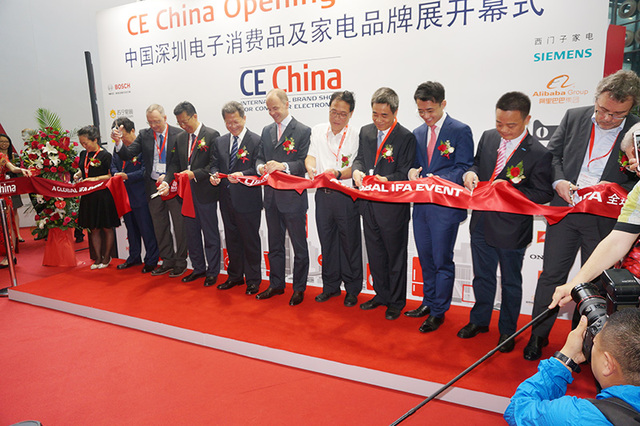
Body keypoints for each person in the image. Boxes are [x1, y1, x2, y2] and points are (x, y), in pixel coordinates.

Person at [524, 69, 640, 362]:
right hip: (567, 209)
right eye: (602, 110)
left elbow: (634, 182)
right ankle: (537, 335)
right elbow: (553, 155)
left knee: (593, 285)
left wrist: (612, 189)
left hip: (606, 220)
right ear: (596, 99)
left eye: (617, 114)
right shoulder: (574, 116)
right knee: (552, 276)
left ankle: (581, 346)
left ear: (630, 109)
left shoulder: (636, 132)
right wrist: (558, 181)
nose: (607, 118)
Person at [459, 92, 553, 352]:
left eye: (511, 125)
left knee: (510, 282)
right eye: (499, 123)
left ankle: (508, 331)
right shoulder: (489, 137)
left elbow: (543, 193)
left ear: (527, 120)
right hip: (481, 221)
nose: (504, 130)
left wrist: (511, 190)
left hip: (512, 229)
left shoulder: (539, 153)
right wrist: (470, 173)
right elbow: (477, 164)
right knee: (482, 276)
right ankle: (479, 321)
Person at [404, 82, 474, 332]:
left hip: (445, 207)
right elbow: (414, 165)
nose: (426, 116)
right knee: (425, 258)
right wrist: (412, 172)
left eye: (430, 110)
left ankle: (438, 311)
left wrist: (438, 180)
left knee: (442, 260)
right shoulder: (417, 132)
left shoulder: (460, 130)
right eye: (421, 111)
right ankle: (428, 301)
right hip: (422, 206)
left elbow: (464, 166)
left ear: (443, 104)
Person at [504, 309, 640, 425]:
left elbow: (517, 410)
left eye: (595, 342)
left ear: (607, 364)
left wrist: (563, 359)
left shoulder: (576, 416)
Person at [352, 87, 416, 320]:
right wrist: (357, 171)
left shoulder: (405, 137)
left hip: (392, 208)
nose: (378, 120)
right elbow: (360, 159)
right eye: (374, 114)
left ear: (395, 112)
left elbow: (405, 172)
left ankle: (396, 302)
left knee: (394, 256)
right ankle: (381, 294)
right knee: (376, 253)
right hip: (368, 204)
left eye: (384, 115)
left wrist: (386, 180)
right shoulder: (366, 131)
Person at [112, 104, 188, 278]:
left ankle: (181, 262)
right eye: (150, 122)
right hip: (153, 186)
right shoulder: (145, 135)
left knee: (179, 226)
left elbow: (178, 162)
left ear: (165, 118)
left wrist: (168, 179)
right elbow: (128, 154)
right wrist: (118, 142)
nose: (154, 125)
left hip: (173, 185)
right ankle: (167, 260)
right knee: (159, 226)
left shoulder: (178, 134)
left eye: (157, 121)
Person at [305, 90, 363, 307]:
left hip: (346, 196)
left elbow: (355, 166)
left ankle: (352, 289)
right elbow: (310, 156)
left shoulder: (356, 135)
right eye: (333, 112)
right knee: (327, 242)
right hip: (323, 196)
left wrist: (337, 173)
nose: (337, 117)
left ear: (351, 114)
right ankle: (330, 286)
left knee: (349, 244)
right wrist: (310, 168)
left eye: (342, 114)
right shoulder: (318, 130)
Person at [255, 88, 311, 306]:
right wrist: (260, 167)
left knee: (299, 247)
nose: (272, 113)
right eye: (269, 109)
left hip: (293, 199)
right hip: (271, 198)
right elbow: (259, 157)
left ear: (287, 104)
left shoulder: (303, 131)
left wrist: (283, 166)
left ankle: (299, 288)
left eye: (275, 108)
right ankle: (276, 284)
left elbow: (303, 163)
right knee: (275, 245)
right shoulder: (266, 130)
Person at [163, 101, 220, 286]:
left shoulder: (211, 135)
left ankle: (213, 271)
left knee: (210, 234)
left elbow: (214, 165)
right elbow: (173, 164)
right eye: (179, 122)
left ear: (194, 116)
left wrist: (194, 174)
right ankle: (198, 268)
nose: (182, 125)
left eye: (185, 121)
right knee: (192, 234)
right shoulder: (180, 138)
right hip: (185, 194)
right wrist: (166, 181)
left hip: (205, 193)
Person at [209, 101, 263, 295]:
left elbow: (258, 169)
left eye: (236, 121)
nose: (232, 126)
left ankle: (254, 280)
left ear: (244, 118)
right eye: (228, 123)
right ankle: (235, 276)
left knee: (250, 241)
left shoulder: (256, 140)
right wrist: (213, 175)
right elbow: (214, 164)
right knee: (232, 240)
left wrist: (242, 175)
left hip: (248, 200)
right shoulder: (220, 142)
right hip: (226, 200)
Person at [109, 117, 159, 273]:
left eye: (123, 135)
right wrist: (116, 174)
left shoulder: (143, 147)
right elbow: (113, 166)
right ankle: (134, 257)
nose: (121, 139)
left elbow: (145, 171)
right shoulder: (118, 148)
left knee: (146, 229)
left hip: (140, 194)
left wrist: (127, 176)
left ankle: (151, 260)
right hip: (124, 196)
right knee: (131, 230)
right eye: (118, 136)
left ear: (132, 131)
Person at [75, 125, 120, 269]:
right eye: (81, 143)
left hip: (102, 195)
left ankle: (107, 256)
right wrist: (78, 174)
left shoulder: (105, 155)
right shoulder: (84, 154)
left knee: (106, 227)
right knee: (93, 228)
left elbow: (110, 175)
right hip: (88, 195)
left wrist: (95, 179)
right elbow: (84, 169)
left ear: (95, 140)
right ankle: (98, 257)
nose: (84, 146)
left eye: (86, 142)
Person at [0, 136, 31, 267]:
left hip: (2, 195)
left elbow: (13, 169)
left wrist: (21, 170)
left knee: (6, 225)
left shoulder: (1, 156)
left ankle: (10, 255)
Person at [0, 133, 25, 243]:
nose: (4, 144)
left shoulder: (12, 156)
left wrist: (21, 170)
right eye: (1, 141)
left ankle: (16, 235)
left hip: (11, 186)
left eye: (6, 141)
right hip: (2, 187)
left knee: (13, 210)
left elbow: (15, 169)